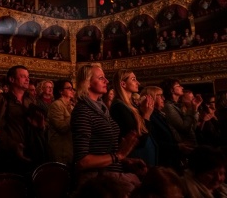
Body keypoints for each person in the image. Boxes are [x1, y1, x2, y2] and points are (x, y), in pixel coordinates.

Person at [70, 64, 141, 193]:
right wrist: (119, 155)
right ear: (88, 83)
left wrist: (126, 161)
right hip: (96, 184)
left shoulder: (102, 108)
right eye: (101, 78)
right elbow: (82, 161)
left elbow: (103, 149)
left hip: (109, 177)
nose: (106, 81)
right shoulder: (83, 111)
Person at [0, 65, 46, 175]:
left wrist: (40, 126)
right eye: (23, 76)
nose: (27, 79)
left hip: (31, 150)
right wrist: (13, 145)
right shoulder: (2, 100)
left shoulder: (31, 99)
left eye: (28, 76)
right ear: (11, 79)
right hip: (10, 154)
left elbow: (39, 125)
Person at [110, 69, 156, 166]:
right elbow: (137, 140)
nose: (138, 83)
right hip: (136, 159)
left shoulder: (130, 105)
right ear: (123, 84)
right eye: (133, 79)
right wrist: (147, 115)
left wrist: (142, 110)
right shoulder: (119, 107)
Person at [160, 79, 201, 147]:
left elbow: (192, 127)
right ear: (171, 90)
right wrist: (191, 108)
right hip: (185, 146)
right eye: (178, 86)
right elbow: (184, 128)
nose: (182, 87)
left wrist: (195, 108)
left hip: (191, 143)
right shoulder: (168, 106)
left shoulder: (177, 106)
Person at [47, 79, 75, 165]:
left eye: (72, 88)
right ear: (60, 91)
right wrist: (74, 114)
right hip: (60, 149)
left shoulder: (71, 106)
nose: (72, 91)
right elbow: (61, 127)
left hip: (70, 148)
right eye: (69, 88)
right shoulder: (56, 105)